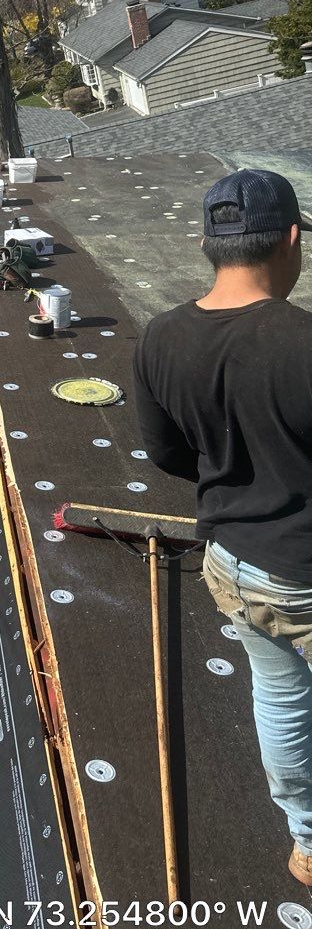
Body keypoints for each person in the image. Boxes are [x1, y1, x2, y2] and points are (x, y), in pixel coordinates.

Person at [132, 168, 312, 886]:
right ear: (292, 240)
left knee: (281, 699)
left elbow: (170, 454)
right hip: (303, 576)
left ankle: (307, 840)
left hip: (232, 564)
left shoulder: (161, 339)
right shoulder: (301, 341)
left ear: (212, 245)